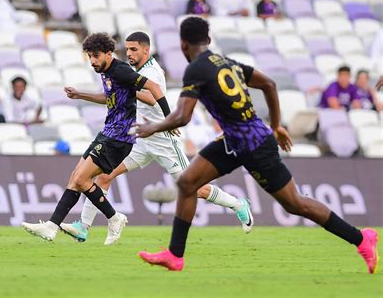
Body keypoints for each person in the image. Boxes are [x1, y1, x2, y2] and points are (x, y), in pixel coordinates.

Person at [134, 17, 378, 273]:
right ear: (207, 40)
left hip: (254, 144)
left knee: (295, 203)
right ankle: (175, 255)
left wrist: (152, 127)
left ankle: (362, 239)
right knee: (187, 182)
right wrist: (276, 125)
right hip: (235, 139)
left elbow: (183, 116)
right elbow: (269, 84)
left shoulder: (196, 69)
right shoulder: (227, 62)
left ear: (183, 44)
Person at [60, 32, 253, 243]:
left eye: (134, 49)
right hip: (140, 139)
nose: (129, 53)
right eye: (128, 49)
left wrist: (129, 90)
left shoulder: (151, 71)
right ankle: (83, 227)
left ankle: (237, 204)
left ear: (146, 49)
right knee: (104, 176)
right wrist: (82, 94)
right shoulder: (131, 71)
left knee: (193, 188)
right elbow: (112, 97)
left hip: (163, 139)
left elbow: (152, 98)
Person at [21, 33, 170, 245]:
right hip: (108, 133)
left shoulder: (121, 71)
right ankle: (51, 227)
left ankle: (114, 217)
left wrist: (170, 120)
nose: (92, 61)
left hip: (119, 138)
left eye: (96, 56)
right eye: (90, 56)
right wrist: (81, 95)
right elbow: (109, 98)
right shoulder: (106, 70)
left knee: (82, 180)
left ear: (109, 54)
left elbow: (154, 89)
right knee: (76, 178)